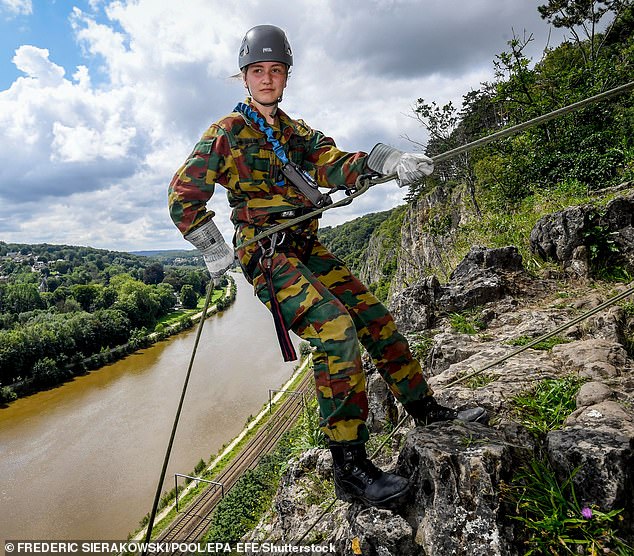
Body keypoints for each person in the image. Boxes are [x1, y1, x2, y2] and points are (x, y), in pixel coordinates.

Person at [168, 24, 487, 508]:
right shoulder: (226, 133)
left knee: (375, 319)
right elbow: (183, 196)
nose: (268, 78)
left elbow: (333, 162)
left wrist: (387, 162)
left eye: (276, 70)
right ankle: (350, 467)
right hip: (267, 253)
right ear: (245, 76)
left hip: (304, 245)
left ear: (286, 76)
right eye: (259, 71)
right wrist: (213, 247)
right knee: (336, 331)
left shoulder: (294, 132)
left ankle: (428, 412)